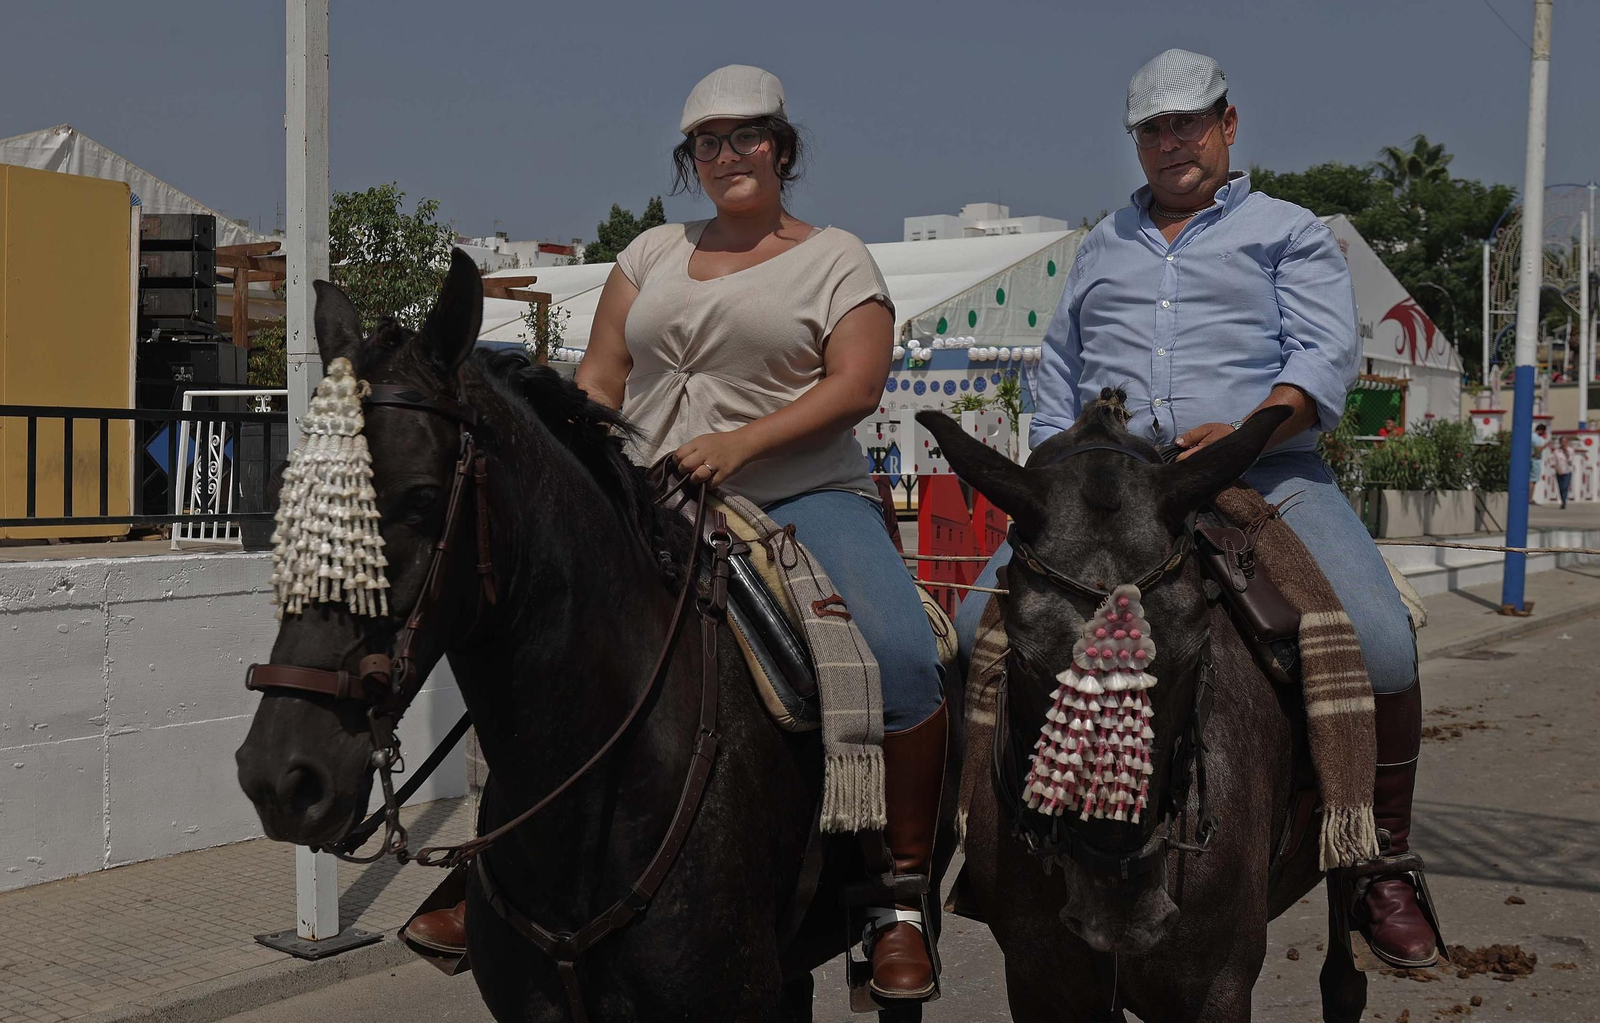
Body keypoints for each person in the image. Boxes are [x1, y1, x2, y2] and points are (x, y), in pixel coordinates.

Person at [955, 49, 1439, 968]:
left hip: (1266, 474)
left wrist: (1252, 426)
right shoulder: (1101, 245)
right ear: (1137, 143)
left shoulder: (1289, 231)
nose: (1173, 142)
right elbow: (1057, 378)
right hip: (1113, 494)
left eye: (1189, 123)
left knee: (1378, 640)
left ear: (1228, 125)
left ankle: (1381, 859)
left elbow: (1321, 358)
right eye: (1154, 129)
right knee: (972, 629)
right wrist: (1055, 483)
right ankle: (981, 847)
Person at [573, 64, 946, 1001]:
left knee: (903, 658)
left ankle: (895, 901)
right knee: (539, 627)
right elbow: (601, 379)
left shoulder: (837, 258)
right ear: (690, 159)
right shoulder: (649, 253)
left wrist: (738, 446)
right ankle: (503, 856)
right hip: (652, 498)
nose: (728, 154)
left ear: (781, 148)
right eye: (708, 142)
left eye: (747, 136)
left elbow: (855, 386)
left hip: (799, 497)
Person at [1551, 435, 1573, 509]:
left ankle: (1564, 502)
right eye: (1562, 442)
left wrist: (1566, 452)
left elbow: (1570, 460)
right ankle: (1562, 500)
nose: (1564, 443)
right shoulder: (1556, 451)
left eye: (1565, 442)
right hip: (1559, 471)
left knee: (1565, 487)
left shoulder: (1570, 450)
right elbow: (1553, 461)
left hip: (1567, 471)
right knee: (1560, 487)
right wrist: (1556, 468)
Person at [1531, 423, 1550, 503]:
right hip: (1535, 460)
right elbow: (1538, 450)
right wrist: (1545, 445)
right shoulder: (1536, 438)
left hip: (1532, 459)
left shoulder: (1531, 436)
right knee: (1532, 480)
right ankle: (1530, 498)